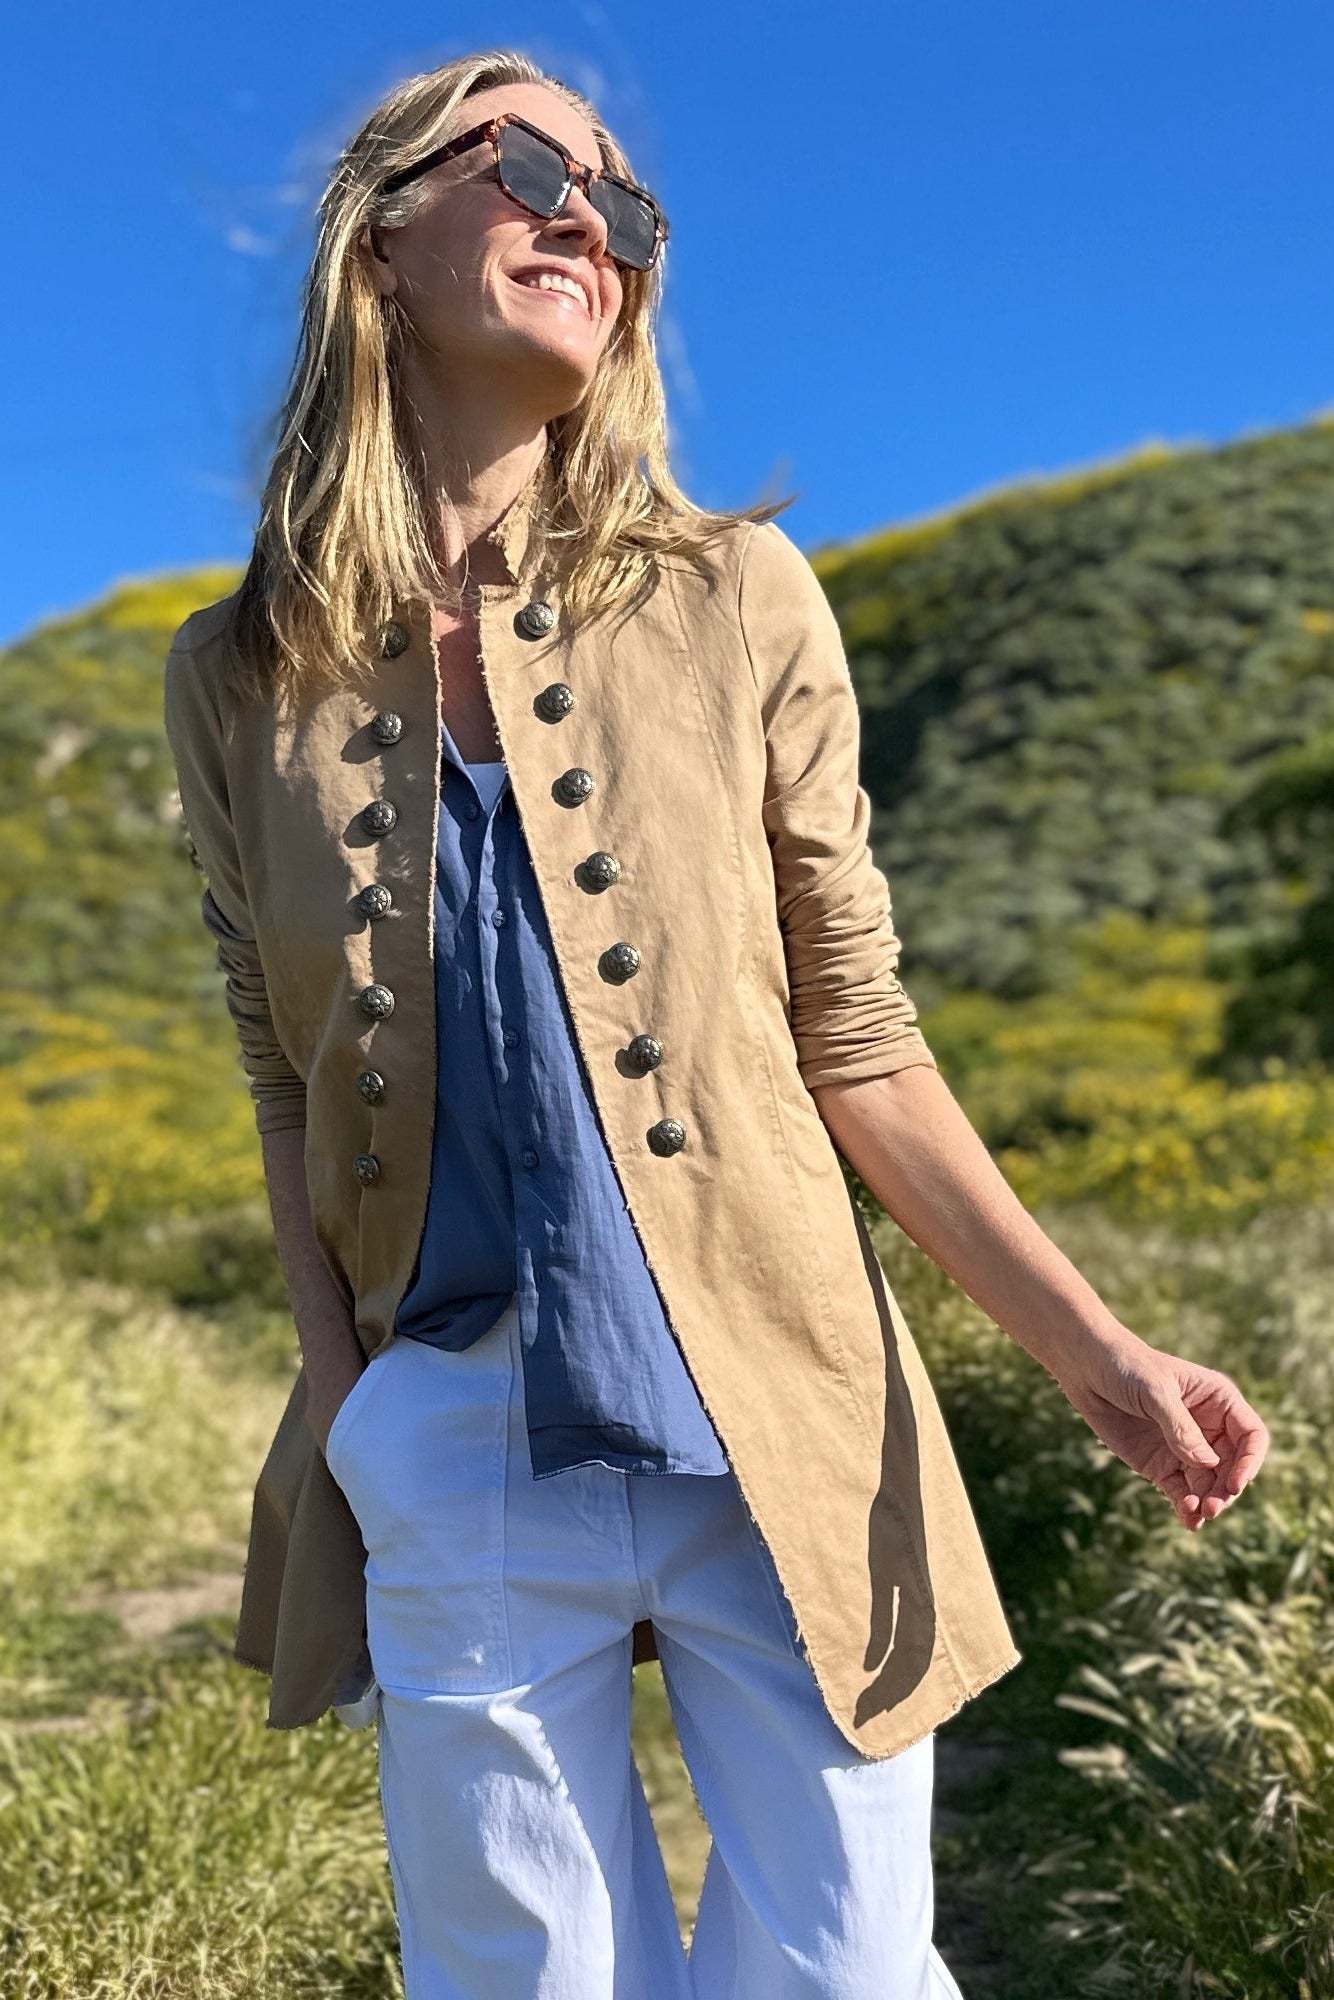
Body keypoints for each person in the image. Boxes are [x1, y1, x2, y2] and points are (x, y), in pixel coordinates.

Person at [161, 49, 1270, 2000]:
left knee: (844, 1973)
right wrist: (351, 1404)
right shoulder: (235, 669)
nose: (584, 219)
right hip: (450, 1423)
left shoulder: (738, 594)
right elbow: (281, 1069)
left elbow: (860, 1035)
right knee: (521, 1978)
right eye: (526, 166)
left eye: (620, 202)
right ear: (381, 237)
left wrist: (1093, 1352)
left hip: (787, 1398)